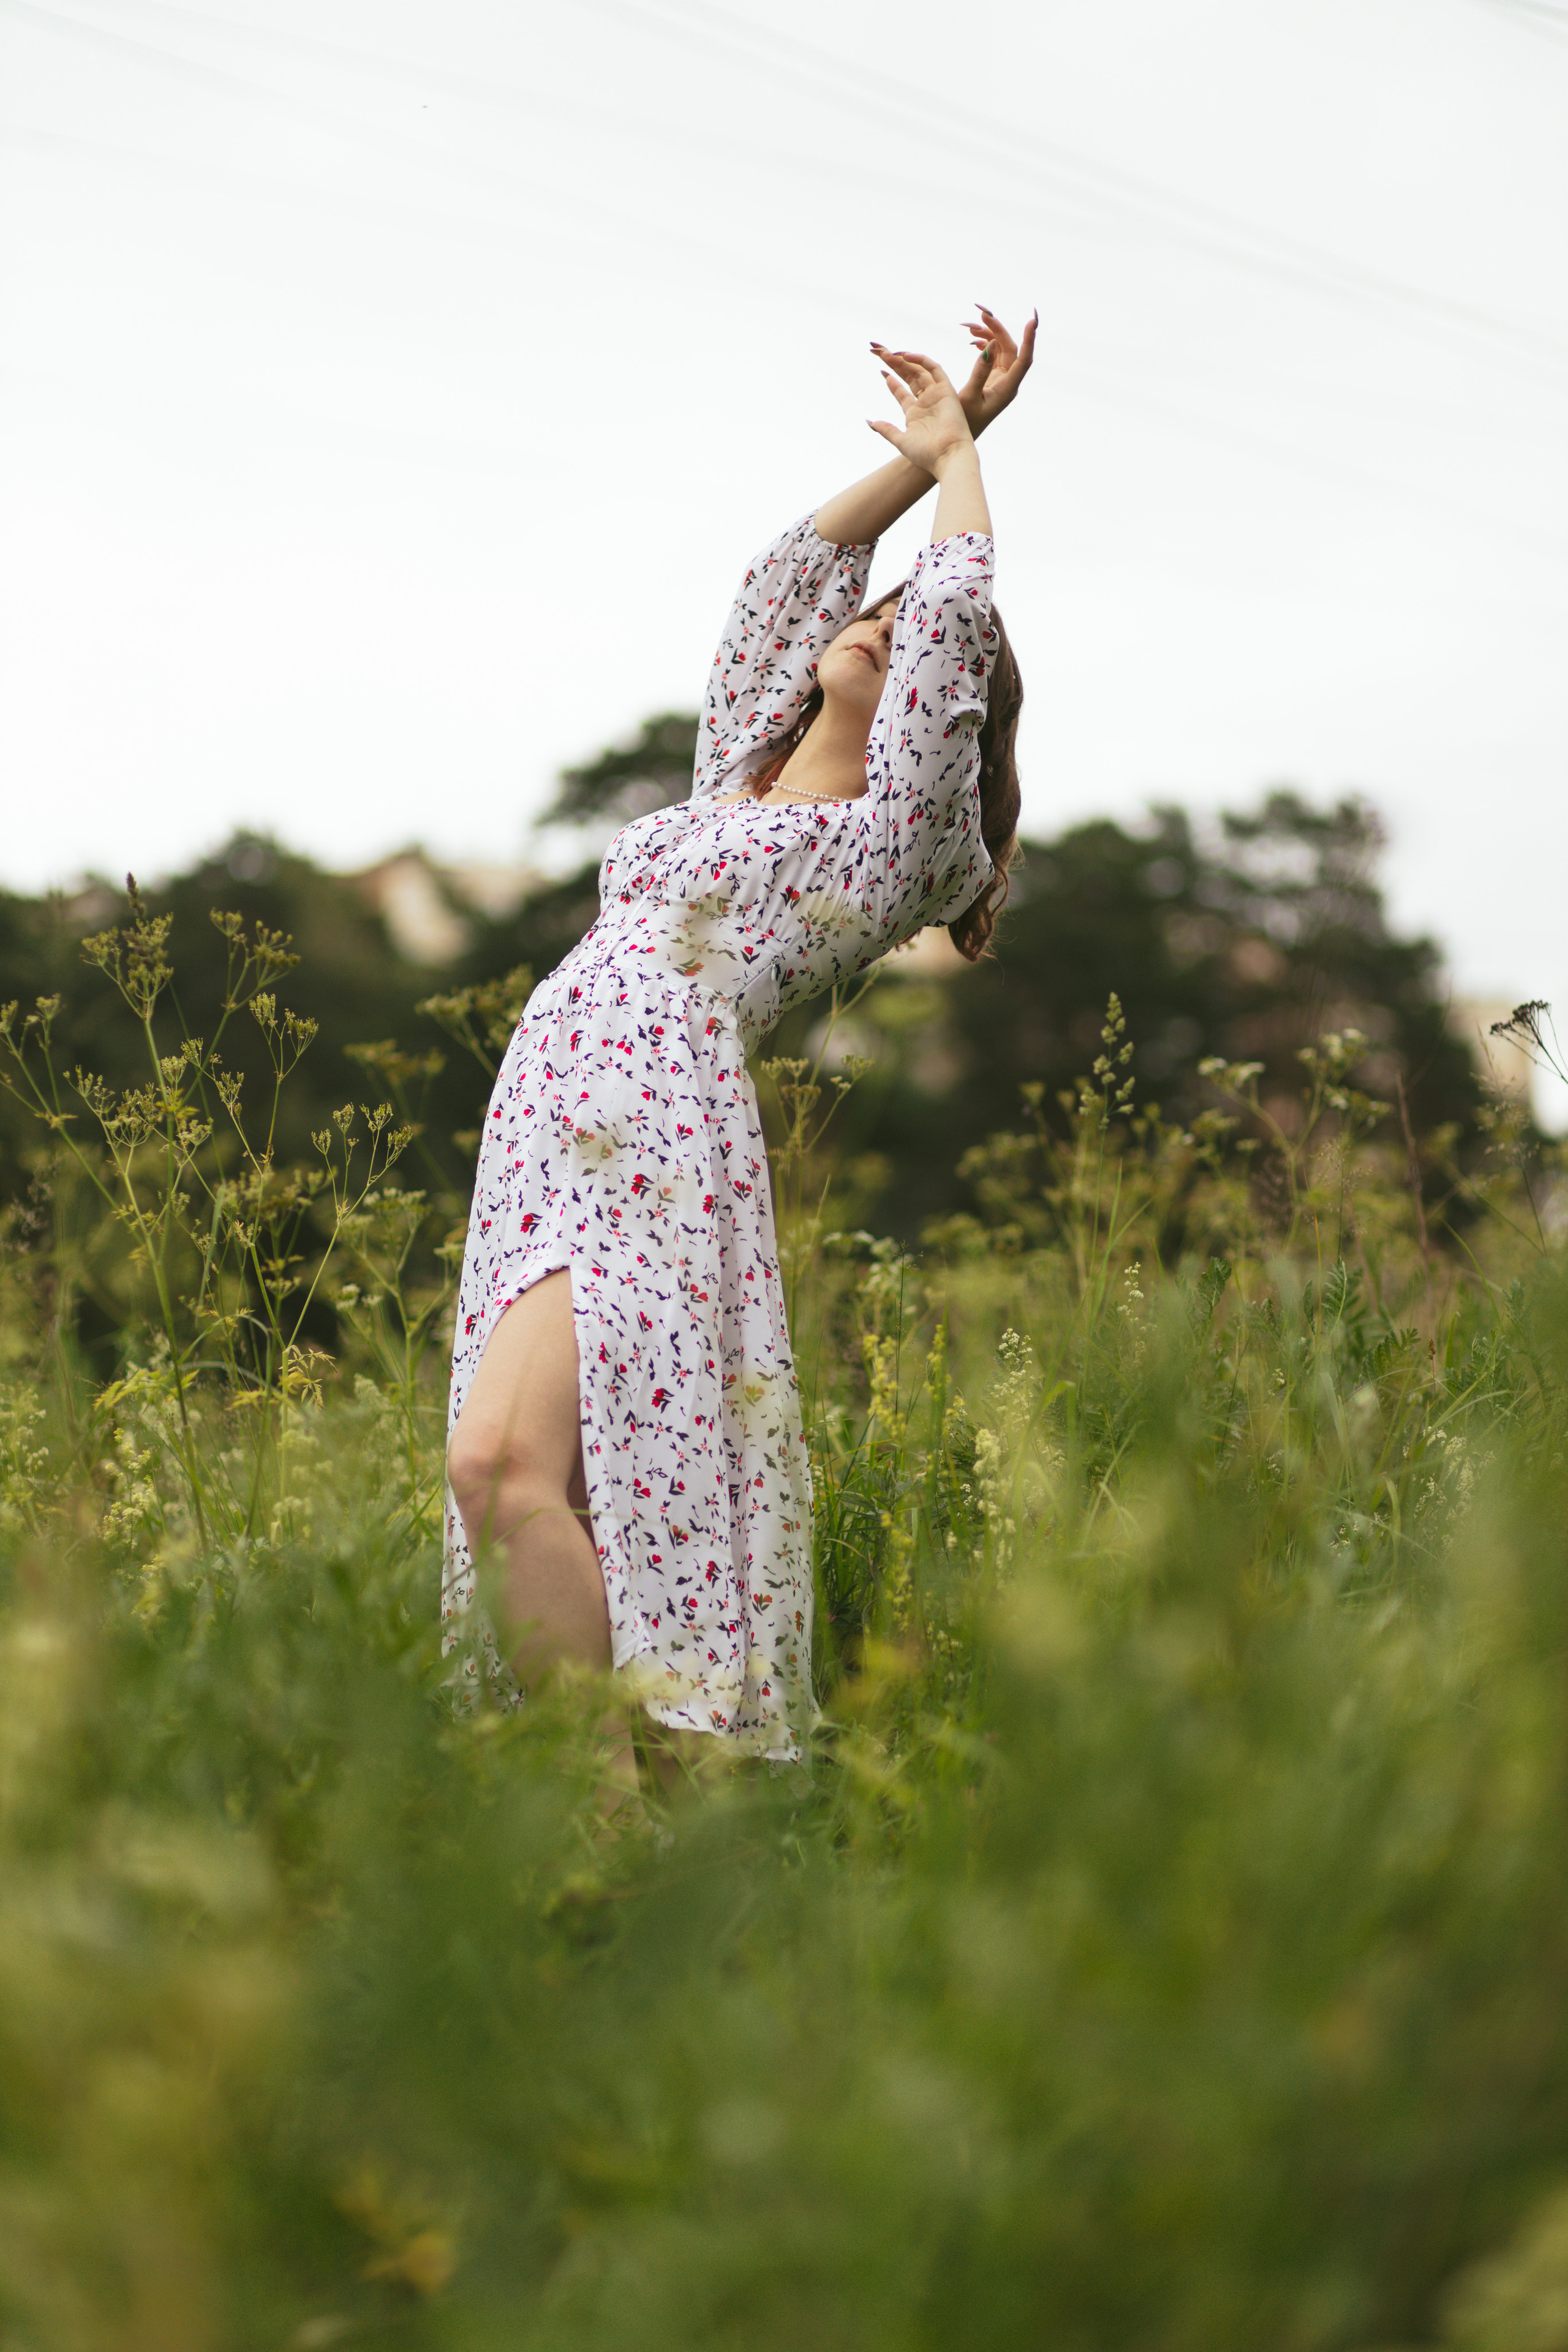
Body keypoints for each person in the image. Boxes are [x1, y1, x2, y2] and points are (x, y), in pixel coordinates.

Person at [443, 307, 1036, 1792]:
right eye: (872, 612)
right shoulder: (736, 777)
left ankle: (613, 1805)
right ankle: (619, 1807)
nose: (878, 620)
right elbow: (784, 578)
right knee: (518, 1472)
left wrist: (964, 464)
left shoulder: (902, 841)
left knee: (506, 1468)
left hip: (652, 1127)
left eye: (901, 629)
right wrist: (927, 450)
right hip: (548, 1115)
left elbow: (951, 623)